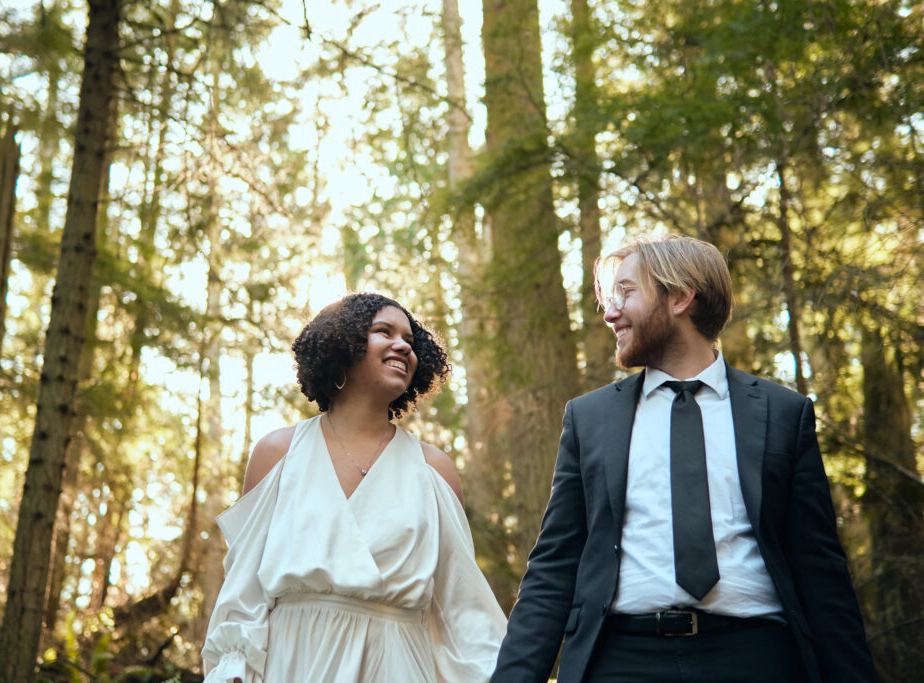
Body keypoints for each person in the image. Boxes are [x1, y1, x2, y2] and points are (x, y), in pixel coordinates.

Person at [491, 235, 878, 682]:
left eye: (626, 292)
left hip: (757, 657)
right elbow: (553, 570)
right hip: (620, 661)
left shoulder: (783, 414)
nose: (610, 312)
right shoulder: (590, 418)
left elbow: (821, 573)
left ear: (679, 297)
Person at [202, 292, 507, 683]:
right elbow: (245, 591)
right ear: (342, 343)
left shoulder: (434, 469)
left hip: (398, 665)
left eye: (411, 342)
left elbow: (461, 606)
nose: (402, 345)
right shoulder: (277, 453)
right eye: (384, 331)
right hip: (295, 664)